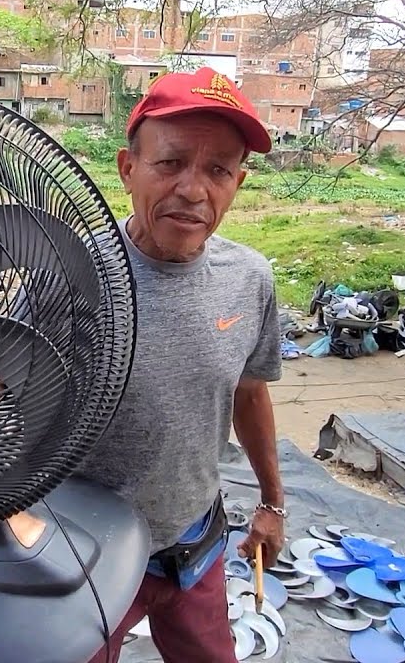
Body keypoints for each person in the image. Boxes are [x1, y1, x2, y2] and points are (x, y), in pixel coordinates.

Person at [78, 67, 285, 663]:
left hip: (196, 541)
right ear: (127, 168)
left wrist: (271, 503)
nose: (194, 190)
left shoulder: (249, 279)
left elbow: (250, 393)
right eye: (170, 163)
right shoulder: (69, 278)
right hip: (88, 553)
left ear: (237, 183)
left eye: (218, 169)